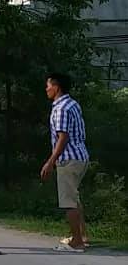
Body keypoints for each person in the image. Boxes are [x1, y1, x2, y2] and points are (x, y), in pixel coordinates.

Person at [41, 73, 90, 252]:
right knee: (74, 198)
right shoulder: (73, 103)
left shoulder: (61, 108)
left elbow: (63, 137)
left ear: (57, 87)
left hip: (69, 159)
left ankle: (77, 242)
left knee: (68, 201)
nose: (46, 89)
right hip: (81, 156)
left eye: (48, 85)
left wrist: (50, 162)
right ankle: (82, 236)